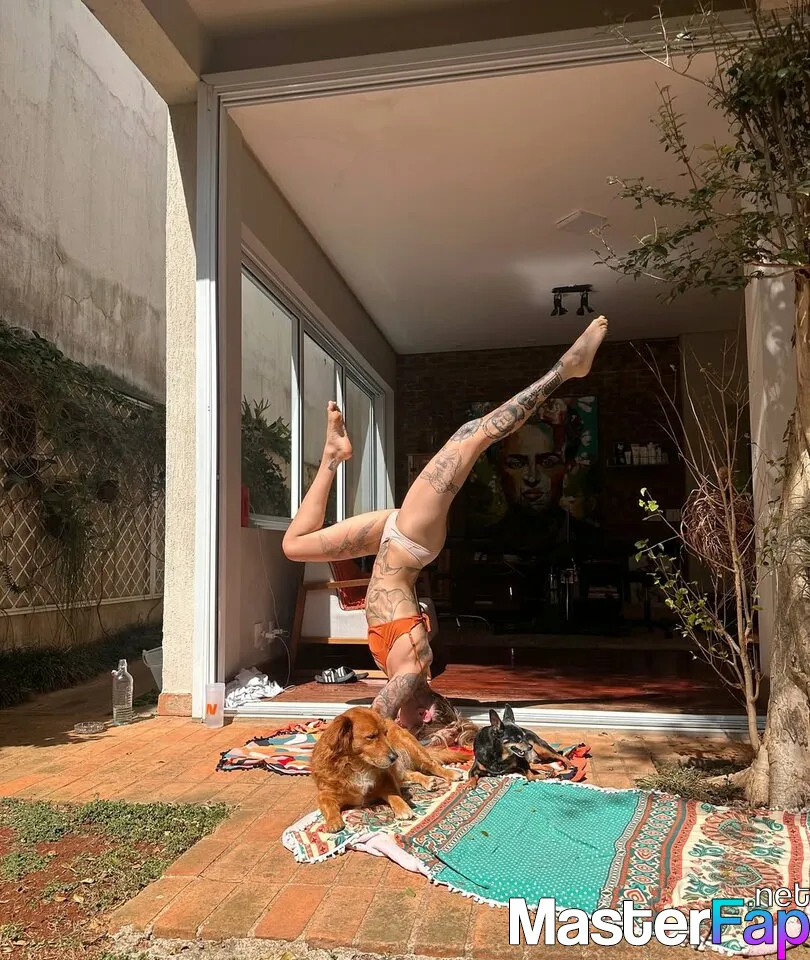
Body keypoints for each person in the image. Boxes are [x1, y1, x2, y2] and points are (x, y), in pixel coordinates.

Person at [282, 315, 609, 731]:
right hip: (410, 540)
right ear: (426, 713)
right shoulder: (414, 671)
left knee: (294, 545)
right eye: (418, 721)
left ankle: (334, 456)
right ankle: (566, 369)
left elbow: (384, 710)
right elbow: (378, 716)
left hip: (392, 538)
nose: (408, 721)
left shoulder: (402, 677)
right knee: (472, 435)